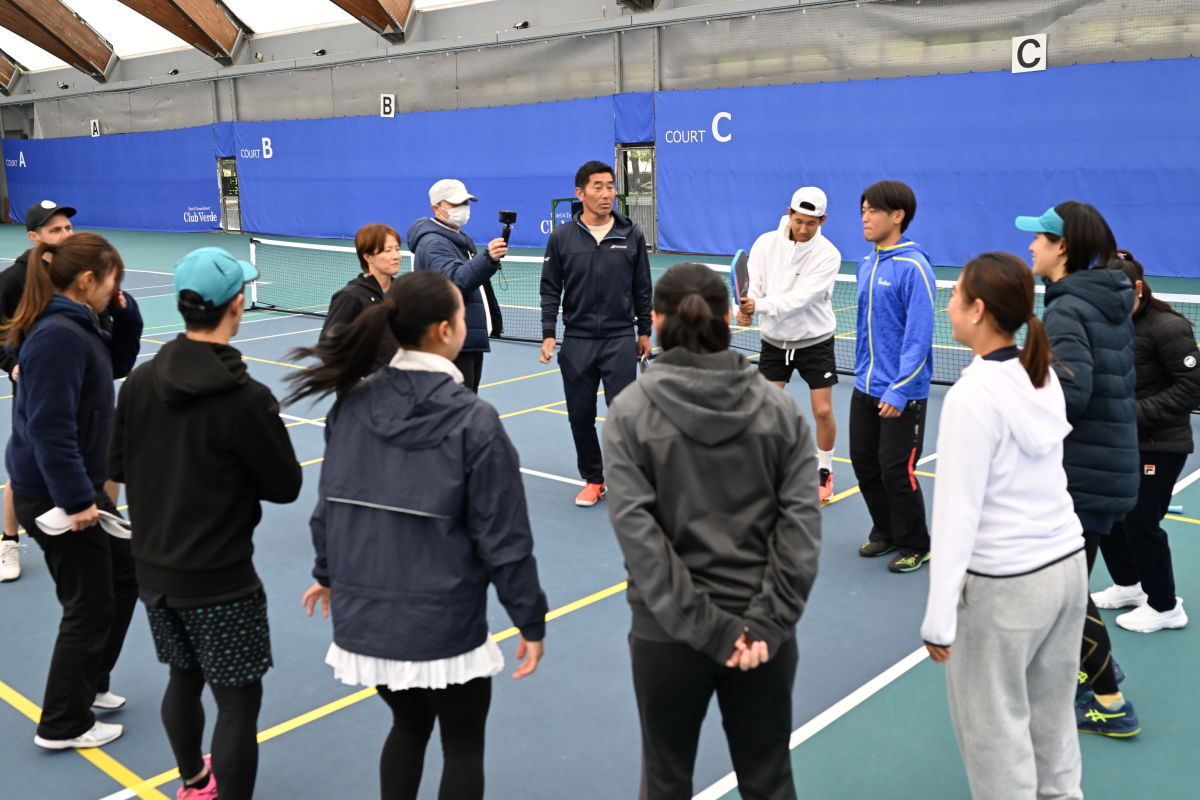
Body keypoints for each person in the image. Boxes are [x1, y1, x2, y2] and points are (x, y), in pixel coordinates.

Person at [288, 269, 548, 800]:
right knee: (463, 746)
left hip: (366, 622)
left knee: (407, 726)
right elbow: (504, 539)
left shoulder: (351, 406)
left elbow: (328, 507)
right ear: (445, 330)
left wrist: (326, 573)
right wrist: (530, 618)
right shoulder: (475, 420)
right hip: (443, 624)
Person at [603, 263, 822, 800]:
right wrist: (763, 625)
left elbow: (642, 544)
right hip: (764, 642)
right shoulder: (782, 410)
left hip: (667, 637)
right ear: (728, 319)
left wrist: (712, 631)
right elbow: (800, 533)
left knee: (665, 781)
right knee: (769, 780)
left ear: (656, 321)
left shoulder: (629, 412)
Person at [108, 247, 302, 799]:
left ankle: (194, 781)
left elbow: (116, 466)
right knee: (238, 702)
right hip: (222, 579)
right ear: (236, 305)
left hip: (155, 572)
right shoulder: (248, 399)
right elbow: (285, 486)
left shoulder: (140, 382)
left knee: (183, 678)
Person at [922, 252, 1086, 800]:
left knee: (995, 741)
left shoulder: (971, 397)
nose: (948, 304)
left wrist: (939, 618)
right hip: (1067, 573)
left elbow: (957, 515)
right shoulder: (1041, 374)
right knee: (1053, 724)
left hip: (1005, 589)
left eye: (955, 295)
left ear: (978, 309)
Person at [1, 233, 142, 749]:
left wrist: (124, 313)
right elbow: (49, 427)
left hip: (75, 484)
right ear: (87, 280)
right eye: (112, 281)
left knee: (124, 574)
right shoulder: (57, 336)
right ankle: (63, 723)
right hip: (57, 494)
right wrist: (77, 500)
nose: (115, 289)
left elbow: (117, 364)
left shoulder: (80, 325)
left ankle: (90, 683)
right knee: (89, 604)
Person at [1017, 201, 1141, 737]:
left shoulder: (1066, 310)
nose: (1030, 246)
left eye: (1039, 238)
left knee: (1066, 592)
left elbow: (1069, 394)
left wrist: (1016, 402)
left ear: (1062, 247)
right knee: (1068, 589)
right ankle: (1092, 676)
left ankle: (1109, 700)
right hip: (1106, 464)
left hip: (1082, 474)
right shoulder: (1105, 301)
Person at [1092, 250, 1199, 633]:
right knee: (1107, 514)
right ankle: (1129, 585)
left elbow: (1192, 387)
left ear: (1138, 288)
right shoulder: (1109, 324)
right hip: (1118, 441)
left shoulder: (1168, 328)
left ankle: (1165, 606)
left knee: (1141, 522)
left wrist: (1132, 412)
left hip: (1159, 444)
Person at [541, 161, 653, 507]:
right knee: (580, 417)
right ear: (580, 193)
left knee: (624, 417)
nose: (607, 194)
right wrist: (548, 332)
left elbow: (642, 287)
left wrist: (644, 331)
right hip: (577, 341)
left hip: (620, 339)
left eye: (610, 186)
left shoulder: (632, 234)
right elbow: (550, 289)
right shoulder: (561, 237)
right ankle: (594, 479)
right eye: (598, 187)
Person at [851, 180, 935, 573]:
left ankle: (915, 543)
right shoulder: (866, 265)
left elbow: (919, 337)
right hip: (864, 388)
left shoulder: (914, 267)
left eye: (873, 211)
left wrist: (899, 391)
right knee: (865, 465)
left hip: (903, 393)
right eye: (863, 210)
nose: (865, 218)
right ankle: (885, 531)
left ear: (897, 216)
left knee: (897, 472)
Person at [737, 187, 842, 501]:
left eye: (812, 223)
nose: (804, 229)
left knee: (822, 411)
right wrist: (743, 310)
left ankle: (824, 469)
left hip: (815, 341)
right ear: (789, 213)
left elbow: (800, 300)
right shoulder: (765, 244)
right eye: (799, 221)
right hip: (774, 342)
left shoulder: (828, 255)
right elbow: (752, 287)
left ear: (823, 220)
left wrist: (758, 307)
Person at [0, 200, 77, 583]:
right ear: (34, 237)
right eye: (55, 230)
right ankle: (8, 541)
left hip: (80, 383)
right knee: (24, 464)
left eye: (68, 228)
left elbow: (101, 317)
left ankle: (94, 522)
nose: (65, 235)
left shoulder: (79, 270)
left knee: (99, 454)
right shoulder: (13, 280)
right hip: (34, 387)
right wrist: (11, 364)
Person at [407, 179, 507, 392]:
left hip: (466, 340)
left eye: (466, 203)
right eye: (455, 204)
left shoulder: (458, 238)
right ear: (436, 208)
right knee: (455, 407)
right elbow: (454, 282)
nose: (463, 208)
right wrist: (488, 258)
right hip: (451, 344)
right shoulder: (434, 243)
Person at [319, 223, 403, 379]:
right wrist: (354, 378)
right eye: (388, 250)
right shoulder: (350, 297)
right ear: (367, 257)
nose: (396, 256)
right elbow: (328, 347)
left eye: (397, 249)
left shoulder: (404, 293)